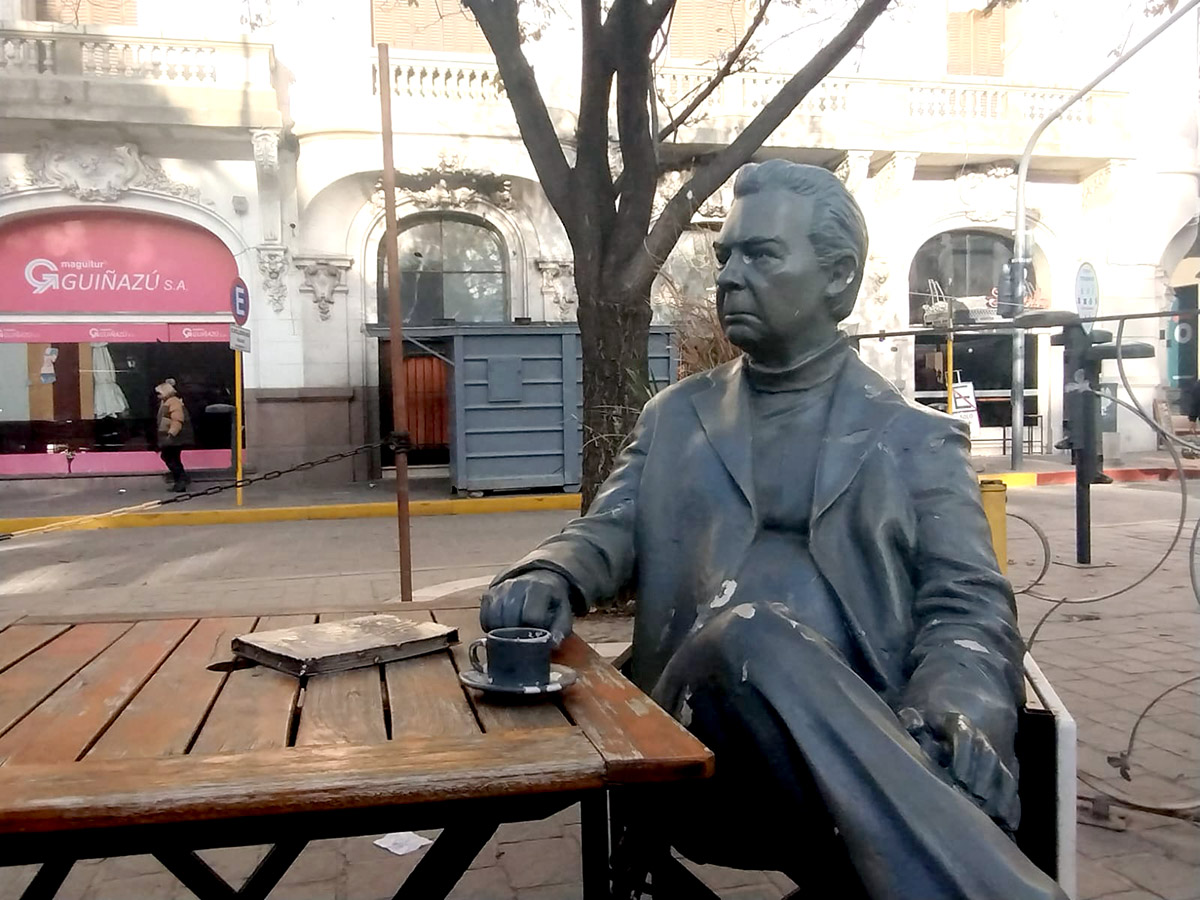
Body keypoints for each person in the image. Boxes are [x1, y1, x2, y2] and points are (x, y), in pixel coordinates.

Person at [482, 161, 1066, 900]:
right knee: (748, 632)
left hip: (855, 756)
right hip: (689, 747)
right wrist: (551, 572)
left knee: (924, 752)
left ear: (839, 279)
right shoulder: (676, 420)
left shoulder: (915, 440)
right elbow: (608, 529)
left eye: (760, 255)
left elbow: (970, 609)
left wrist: (956, 712)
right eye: (725, 255)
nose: (728, 276)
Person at [155, 378, 193, 492]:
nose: (158, 396)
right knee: (172, 458)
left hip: (174, 437)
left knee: (170, 458)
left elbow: (177, 420)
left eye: (159, 393)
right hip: (173, 436)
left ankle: (181, 480)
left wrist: (171, 434)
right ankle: (182, 479)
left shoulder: (173, 402)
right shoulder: (169, 402)